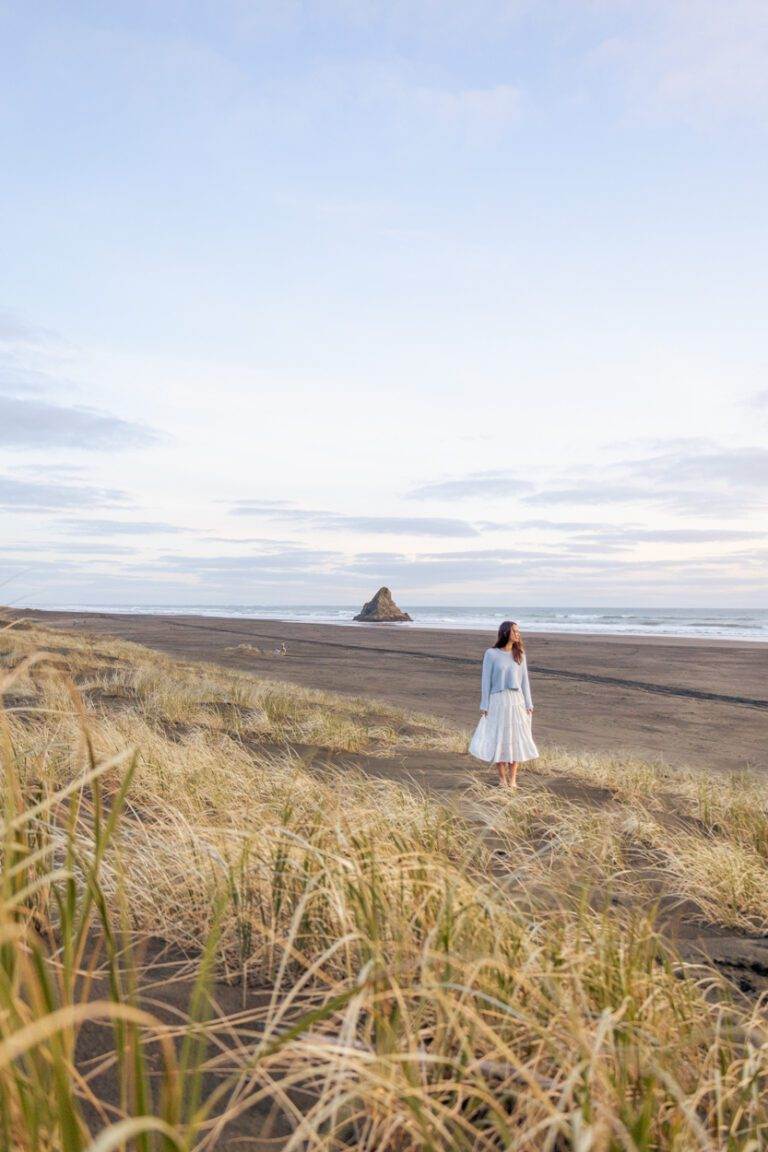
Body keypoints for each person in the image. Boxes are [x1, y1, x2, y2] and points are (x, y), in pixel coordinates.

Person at [468, 620, 539, 788]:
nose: (518, 634)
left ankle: (513, 780)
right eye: (515, 631)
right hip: (498, 700)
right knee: (499, 737)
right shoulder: (491, 654)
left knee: (515, 739)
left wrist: (529, 704)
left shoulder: (519, 654)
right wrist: (484, 704)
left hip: (516, 701)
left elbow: (524, 682)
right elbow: (485, 681)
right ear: (506, 632)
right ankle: (502, 780)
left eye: (518, 631)